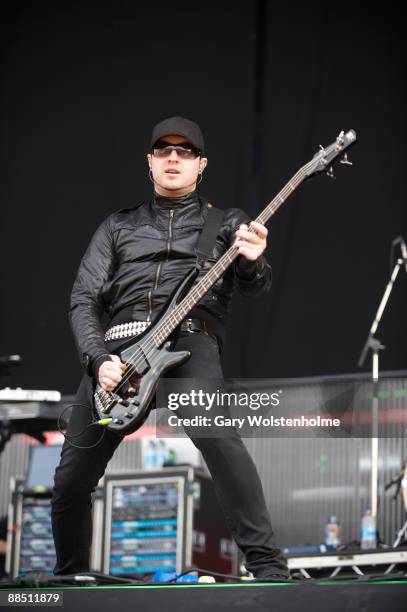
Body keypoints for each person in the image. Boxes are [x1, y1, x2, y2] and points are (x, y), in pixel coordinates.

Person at [51, 116, 289, 580]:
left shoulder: (227, 223)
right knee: (70, 478)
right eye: (164, 151)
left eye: (184, 152)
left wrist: (253, 263)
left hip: (190, 340)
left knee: (217, 436)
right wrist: (98, 360)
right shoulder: (117, 226)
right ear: (150, 163)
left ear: (201, 165)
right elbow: (82, 299)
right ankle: (69, 580)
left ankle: (268, 567)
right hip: (119, 352)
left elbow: (254, 289)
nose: (174, 158)